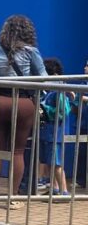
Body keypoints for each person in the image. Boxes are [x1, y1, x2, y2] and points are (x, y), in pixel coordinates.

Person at [0, 14, 47, 204]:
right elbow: (43, 77)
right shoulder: (31, 51)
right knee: (17, 151)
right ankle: (12, 196)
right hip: (23, 103)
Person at [38, 57, 71, 198]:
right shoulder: (48, 91)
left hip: (55, 133)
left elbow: (64, 111)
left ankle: (64, 191)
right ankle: (55, 188)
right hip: (47, 132)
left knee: (57, 164)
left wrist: (45, 110)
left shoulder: (59, 91)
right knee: (50, 163)